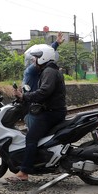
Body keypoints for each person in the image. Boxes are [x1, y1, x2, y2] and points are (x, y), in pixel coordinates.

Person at [9, 44, 66, 182]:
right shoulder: (50, 70)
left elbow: (44, 92)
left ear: (44, 57)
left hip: (51, 113)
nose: (34, 61)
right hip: (54, 111)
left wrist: (24, 97)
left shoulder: (49, 72)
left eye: (36, 58)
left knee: (31, 138)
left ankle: (24, 171)